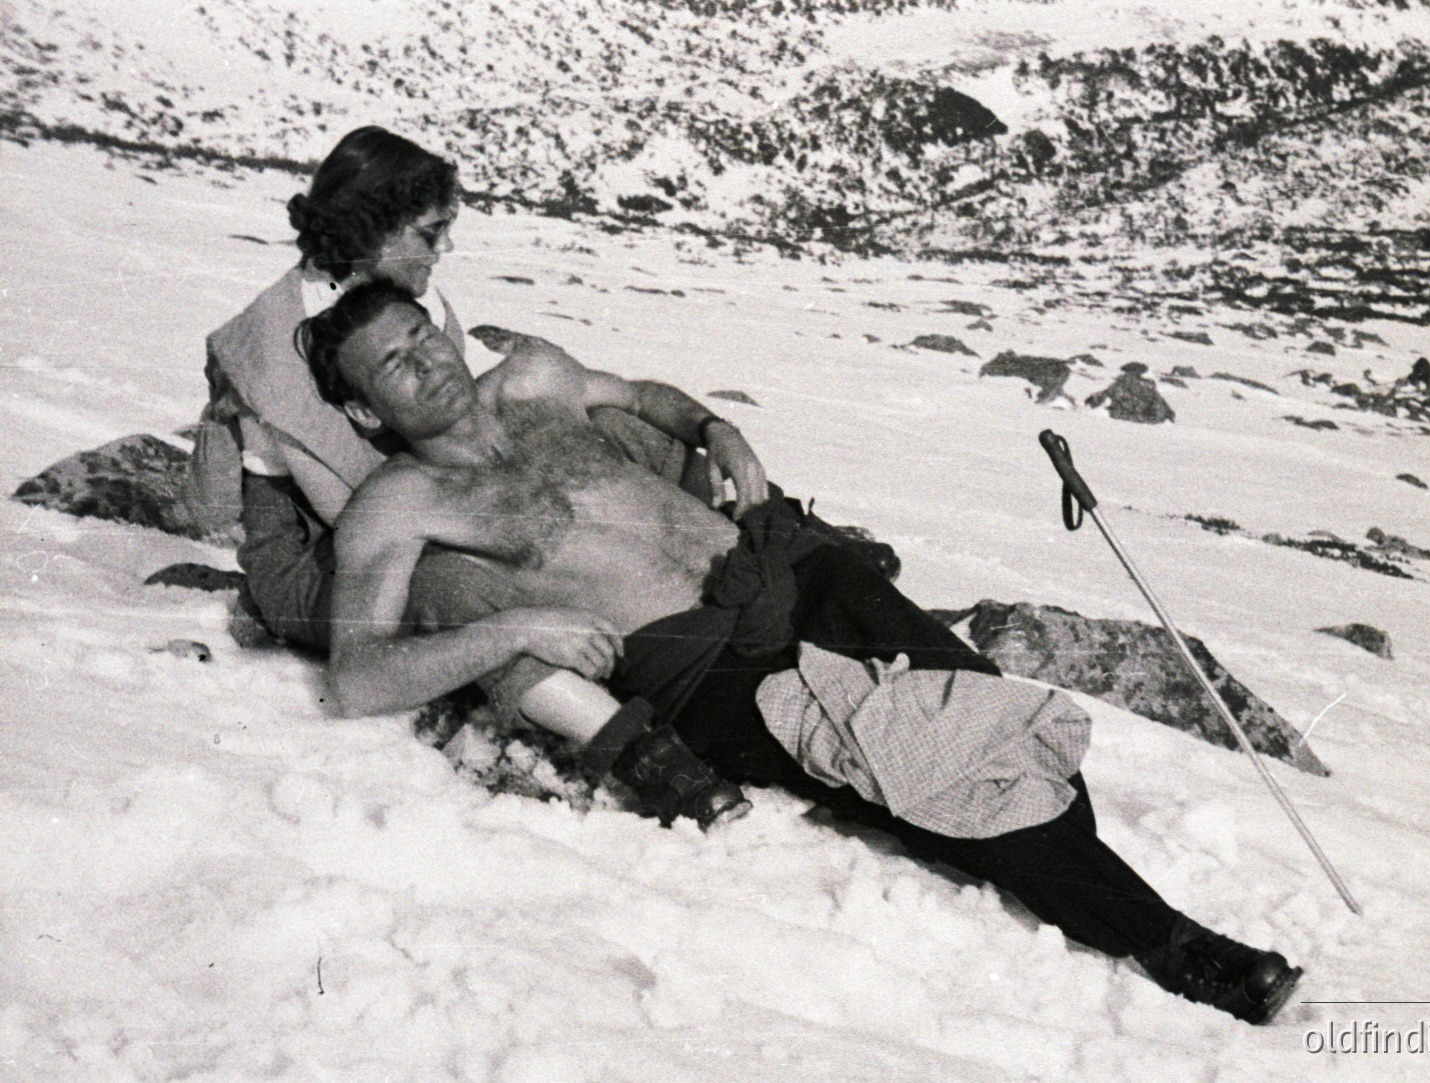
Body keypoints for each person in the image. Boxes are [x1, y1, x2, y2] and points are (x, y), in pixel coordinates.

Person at [299, 279, 1306, 1025]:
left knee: (991, 716)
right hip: (715, 672)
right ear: (359, 411)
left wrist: (718, 427)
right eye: (391, 365)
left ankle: (1088, 877)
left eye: (420, 335)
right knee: (929, 776)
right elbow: (355, 678)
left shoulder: (533, 375)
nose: (425, 362)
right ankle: (1182, 950)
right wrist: (511, 629)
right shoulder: (402, 506)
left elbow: (648, 397)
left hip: (789, 566)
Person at [187, 125, 767, 822]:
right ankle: (633, 746)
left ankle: (760, 542)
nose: (445, 249)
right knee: (450, 574)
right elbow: (273, 499)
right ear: (375, 230)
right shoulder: (273, 347)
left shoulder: (410, 301)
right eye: (430, 233)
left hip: (404, 495)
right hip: (312, 539)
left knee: (602, 429)